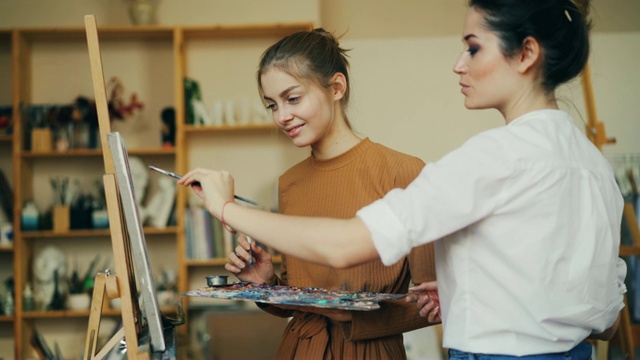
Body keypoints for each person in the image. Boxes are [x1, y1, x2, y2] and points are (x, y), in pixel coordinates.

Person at [179, 0, 627, 358]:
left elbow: (344, 244)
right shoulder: (594, 167)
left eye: (472, 47)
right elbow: (606, 318)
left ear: (526, 53)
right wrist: (462, 290)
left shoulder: (490, 157)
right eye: (271, 104)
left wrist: (226, 208)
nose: (458, 64)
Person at [220, 28, 437, 360]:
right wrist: (265, 285)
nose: (281, 116)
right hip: (297, 349)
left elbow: (433, 304)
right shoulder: (289, 183)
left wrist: (355, 316)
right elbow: (300, 299)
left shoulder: (403, 171)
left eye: (293, 99)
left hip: (370, 352)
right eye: (271, 105)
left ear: (336, 87)